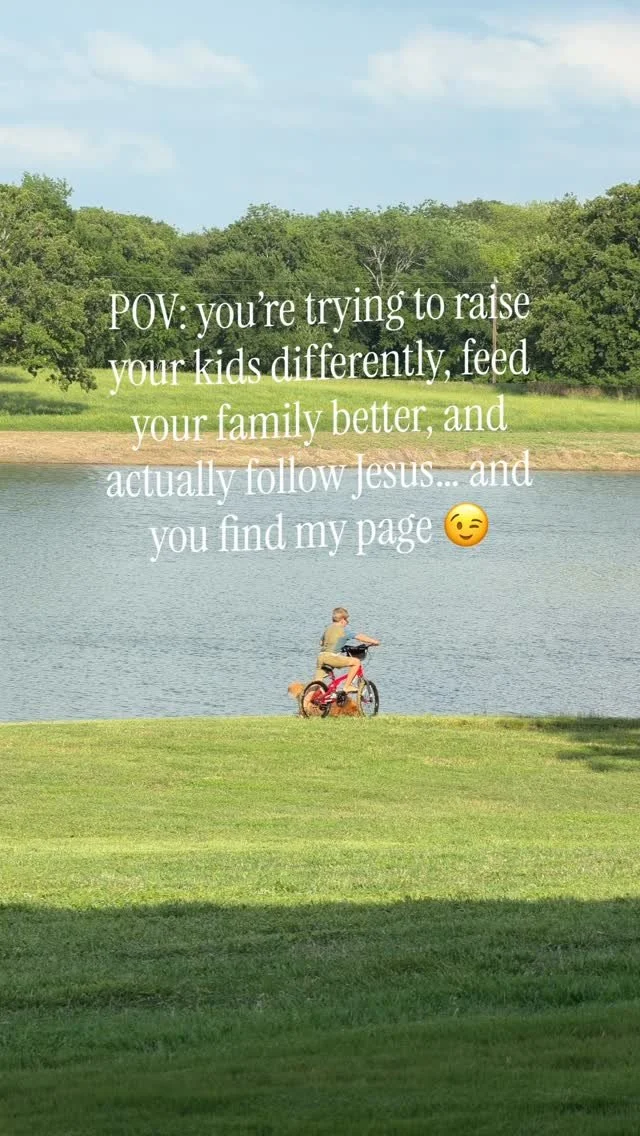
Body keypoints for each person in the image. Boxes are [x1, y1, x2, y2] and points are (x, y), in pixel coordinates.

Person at [313, 606, 380, 693]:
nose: (347, 622)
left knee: (317, 683)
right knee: (356, 662)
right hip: (331, 657)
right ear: (342, 620)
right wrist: (374, 641)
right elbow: (359, 636)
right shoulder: (343, 631)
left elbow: (321, 642)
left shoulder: (328, 629)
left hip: (321, 657)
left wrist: (338, 645)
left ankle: (306, 700)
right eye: (346, 620)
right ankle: (347, 686)